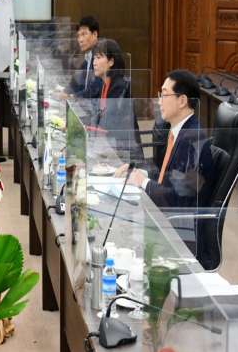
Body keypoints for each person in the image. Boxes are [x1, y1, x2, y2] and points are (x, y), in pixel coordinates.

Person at [117, 69, 207, 208]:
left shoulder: (192, 140)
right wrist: (140, 173)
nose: (159, 102)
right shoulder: (175, 131)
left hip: (172, 218)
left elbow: (179, 199)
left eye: (164, 95)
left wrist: (143, 182)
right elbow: (169, 177)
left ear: (182, 101)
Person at [68, 16, 102, 97]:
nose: (80, 40)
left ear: (95, 34)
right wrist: (65, 91)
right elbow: (76, 82)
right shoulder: (88, 56)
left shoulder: (101, 57)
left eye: (84, 34)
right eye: (78, 36)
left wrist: (72, 97)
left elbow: (95, 89)